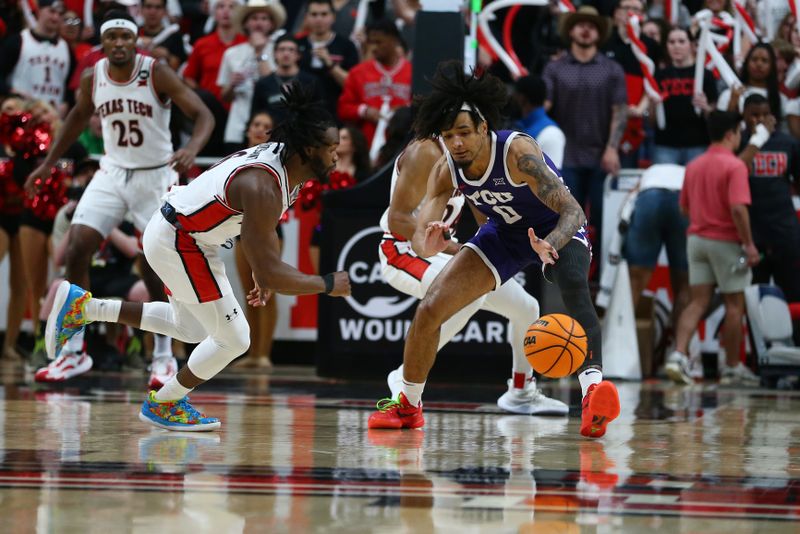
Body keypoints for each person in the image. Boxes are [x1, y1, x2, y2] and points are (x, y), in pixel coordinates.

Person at [45, 82, 351, 431]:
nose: (335, 156)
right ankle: (166, 401)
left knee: (190, 327)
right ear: (309, 149)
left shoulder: (288, 164)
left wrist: (260, 271)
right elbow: (271, 269)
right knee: (235, 338)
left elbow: (262, 235)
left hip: (187, 237)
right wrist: (327, 283)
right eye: (330, 149)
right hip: (181, 240)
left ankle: (83, 307)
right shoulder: (262, 185)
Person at [367, 63, 619, 438]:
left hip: (554, 226)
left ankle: (592, 391)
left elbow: (573, 210)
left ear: (484, 128)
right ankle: (409, 403)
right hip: (503, 233)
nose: (457, 143)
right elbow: (420, 234)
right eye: (449, 135)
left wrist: (549, 243)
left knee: (571, 284)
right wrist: (430, 243)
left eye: (464, 133)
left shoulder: (518, 151)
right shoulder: (445, 167)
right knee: (431, 307)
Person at [25, 10, 215, 384]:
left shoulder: (155, 71)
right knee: (77, 247)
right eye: (111, 37)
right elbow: (77, 119)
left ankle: (162, 355)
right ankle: (75, 351)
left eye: (124, 37)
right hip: (112, 173)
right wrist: (48, 164)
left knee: (153, 265)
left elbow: (203, 114)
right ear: (104, 42)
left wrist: (192, 147)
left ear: (135, 39)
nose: (118, 43)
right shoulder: (92, 78)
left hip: (155, 175)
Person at [377, 135, 568, 416]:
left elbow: (487, 220)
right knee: (467, 298)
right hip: (402, 249)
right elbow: (398, 219)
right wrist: (453, 247)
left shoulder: (470, 154)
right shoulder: (425, 152)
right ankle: (403, 376)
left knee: (527, 308)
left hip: (442, 251)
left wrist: (506, 248)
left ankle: (521, 392)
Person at [668, 110, 761, 386]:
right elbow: (738, 209)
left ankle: (678, 355)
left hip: (696, 240)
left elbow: (683, 208)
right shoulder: (735, 166)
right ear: (731, 134)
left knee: (697, 302)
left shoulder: (694, 166)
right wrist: (748, 244)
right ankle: (732, 368)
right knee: (734, 305)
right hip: (726, 241)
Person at [543, 6, 627, 262]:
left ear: (599, 33)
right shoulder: (554, 68)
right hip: (565, 158)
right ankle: (566, 278)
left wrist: (612, 148)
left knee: (604, 221)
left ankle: (600, 281)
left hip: (601, 155)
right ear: (570, 30)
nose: (586, 28)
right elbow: (543, 107)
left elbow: (620, 110)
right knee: (567, 222)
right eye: (581, 23)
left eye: (592, 24)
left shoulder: (612, 69)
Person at [737, 94, 800, 302]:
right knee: (755, 300)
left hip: (785, 231)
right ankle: (758, 337)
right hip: (753, 234)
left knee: (793, 295)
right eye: (754, 115)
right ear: (744, 116)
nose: (760, 120)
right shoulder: (739, 143)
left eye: (765, 114)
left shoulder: (787, 143)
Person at [233, 110, 280, 368]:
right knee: (248, 292)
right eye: (256, 124)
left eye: (266, 125)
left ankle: (265, 354)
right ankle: (252, 354)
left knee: (267, 290)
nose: (260, 128)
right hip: (241, 229)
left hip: (269, 230)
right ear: (248, 129)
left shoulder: (276, 160)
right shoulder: (237, 159)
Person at [218, 0, 287, 151]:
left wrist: (259, 51)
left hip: (269, 125)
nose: (259, 23)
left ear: (272, 24)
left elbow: (273, 86)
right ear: (245, 23)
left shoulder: (280, 50)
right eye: (254, 18)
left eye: (264, 18)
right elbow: (224, 96)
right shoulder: (231, 53)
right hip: (238, 123)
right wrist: (232, 85)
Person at [337, 18, 411, 147]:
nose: (373, 47)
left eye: (379, 42)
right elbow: (343, 108)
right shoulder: (358, 72)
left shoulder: (412, 71)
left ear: (394, 41)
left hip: (403, 144)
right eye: (371, 42)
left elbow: (423, 107)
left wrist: (404, 111)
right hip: (365, 146)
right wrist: (364, 111)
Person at [652, 26, 717, 166]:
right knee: (665, 186)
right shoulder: (658, 75)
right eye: (671, 42)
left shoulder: (706, 75)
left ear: (692, 45)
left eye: (681, 41)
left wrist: (706, 107)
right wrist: (652, 106)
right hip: (666, 143)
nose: (676, 46)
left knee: (697, 187)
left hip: (698, 143)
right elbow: (651, 118)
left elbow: (714, 114)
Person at [0, 0, 74, 108]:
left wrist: (67, 104)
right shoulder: (18, 42)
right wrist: (11, 92)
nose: (56, 17)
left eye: (60, 14)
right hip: (21, 114)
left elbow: (71, 86)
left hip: (53, 118)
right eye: (52, 12)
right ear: (39, 11)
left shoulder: (67, 49)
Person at [296, 0, 359, 118]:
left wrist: (330, 64)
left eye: (324, 14)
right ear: (306, 18)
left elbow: (354, 86)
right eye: (314, 14)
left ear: (333, 17)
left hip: (335, 113)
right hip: (301, 113)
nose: (319, 19)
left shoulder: (346, 45)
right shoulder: (296, 45)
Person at [250, 34, 321, 124]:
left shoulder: (311, 81)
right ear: (275, 54)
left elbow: (320, 113)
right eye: (282, 49)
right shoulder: (263, 84)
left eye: (291, 50)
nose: (286, 53)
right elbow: (255, 115)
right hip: (273, 135)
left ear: (298, 55)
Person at [513, 75, 566, 169]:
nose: (513, 98)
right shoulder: (517, 126)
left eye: (515, 94)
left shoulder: (551, 133)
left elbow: (553, 179)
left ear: (522, 97)